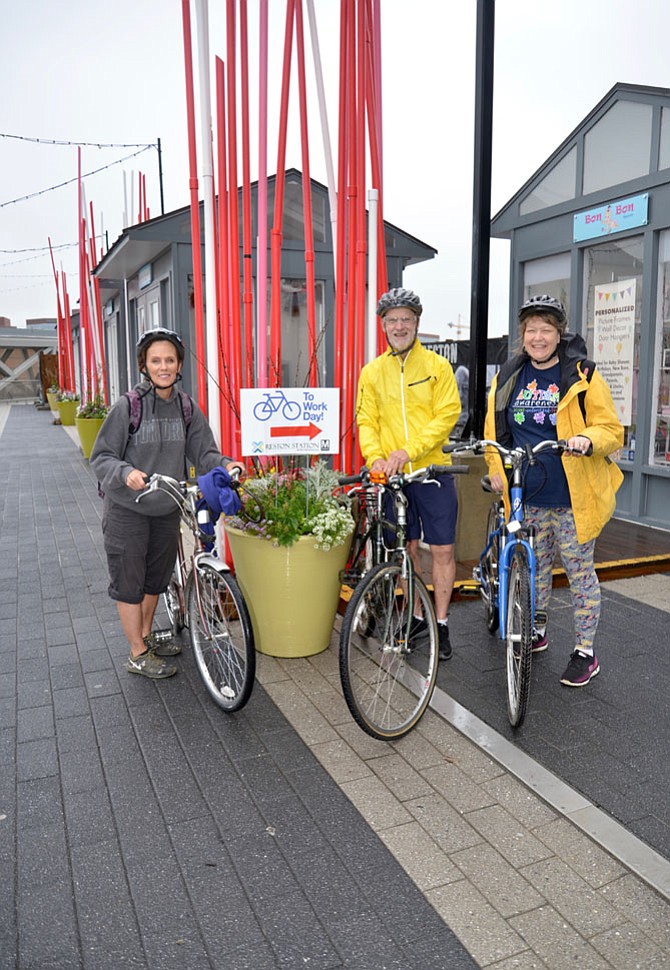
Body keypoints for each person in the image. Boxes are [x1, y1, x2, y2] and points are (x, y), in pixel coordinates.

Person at [484, 295, 624, 687]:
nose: (538, 337)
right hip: (526, 495)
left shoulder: (582, 375)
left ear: (558, 333)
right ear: (523, 335)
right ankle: (537, 630)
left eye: (546, 329)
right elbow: (494, 433)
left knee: (579, 573)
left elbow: (612, 430)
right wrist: (496, 469)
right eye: (531, 330)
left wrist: (585, 438)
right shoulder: (510, 375)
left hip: (571, 497)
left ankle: (584, 651)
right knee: (536, 569)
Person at [90, 328, 244, 680]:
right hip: (128, 509)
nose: (163, 367)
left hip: (166, 509)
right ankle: (137, 652)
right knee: (129, 582)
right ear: (144, 365)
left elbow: (205, 451)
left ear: (178, 366)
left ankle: (145, 637)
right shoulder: (128, 406)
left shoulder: (186, 407)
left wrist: (225, 465)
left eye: (169, 360)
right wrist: (124, 471)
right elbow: (101, 456)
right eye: (156, 360)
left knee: (154, 581)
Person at [356, 287, 462, 660]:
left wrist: (408, 451)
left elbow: (446, 415)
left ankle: (443, 623)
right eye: (392, 320)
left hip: (432, 472)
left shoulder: (437, 367)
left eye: (406, 319)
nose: (399, 326)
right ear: (383, 325)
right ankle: (418, 616)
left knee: (444, 550)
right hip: (393, 479)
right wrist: (375, 458)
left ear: (417, 322)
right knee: (407, 550)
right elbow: (366, 421)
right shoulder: (372, 372)